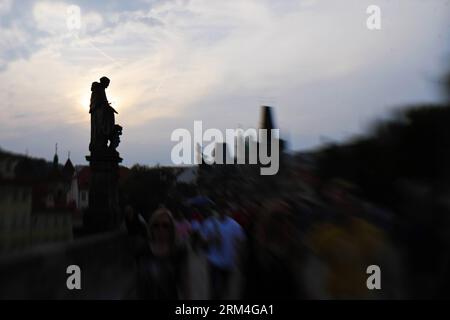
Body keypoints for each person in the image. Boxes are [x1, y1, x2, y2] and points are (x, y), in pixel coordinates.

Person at [132, 207, 189, 299]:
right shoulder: (141, 250)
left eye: (165, 225)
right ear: (151, 227)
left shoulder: (179, 251)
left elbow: (185, 284)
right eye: (156, 225)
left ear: (171, 228)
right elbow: (137, 282)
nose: (160, 229)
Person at [201, 204, 245, 299]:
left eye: (224, 209)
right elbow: (203, 242)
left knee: (225, 289)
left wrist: (239, 257)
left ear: (227, 210)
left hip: (228, 263)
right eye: (220, 208)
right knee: (214, 289)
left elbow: (240, 241)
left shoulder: (234, 225)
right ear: (217, 210)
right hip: (213, 262)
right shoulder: (209, 223)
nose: (222, 211)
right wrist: (211, 239)